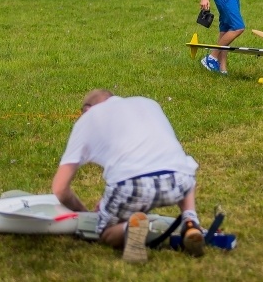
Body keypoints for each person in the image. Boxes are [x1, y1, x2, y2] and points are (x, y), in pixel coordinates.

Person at [52, 89, 205, 263]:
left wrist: (87, 214)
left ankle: (128, 228)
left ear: (87, 109)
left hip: (131, 186)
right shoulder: (147, 103)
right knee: (181, 164)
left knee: (105, 232)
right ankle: (191, 221)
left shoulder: (88, 118)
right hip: (180, 181)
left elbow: (60, 189)